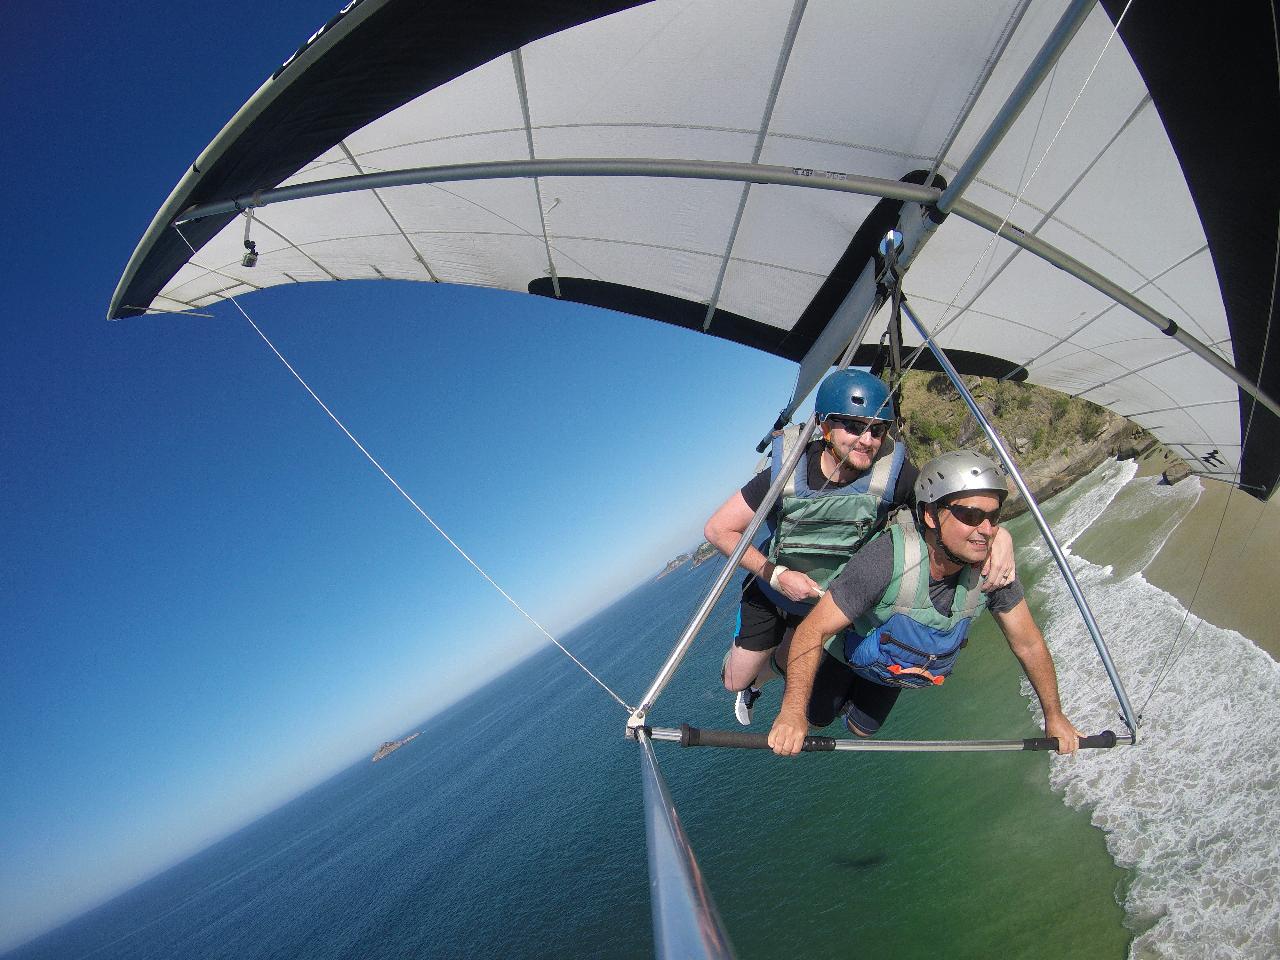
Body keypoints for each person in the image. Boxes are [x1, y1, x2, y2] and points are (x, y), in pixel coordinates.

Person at [703, 369, 1016, 725]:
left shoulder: (892, 475)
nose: (867, 440)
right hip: (772, 588)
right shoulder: (786, 473)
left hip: (826, 597)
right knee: (736, 680)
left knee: (797, 665)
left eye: (878, 429)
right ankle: (753, 677)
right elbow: (718, 529)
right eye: (853, 426)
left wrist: (1000, 536)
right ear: (824, 426)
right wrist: (776, 575)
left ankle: (777, 661)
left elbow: (948, 510)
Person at [766, 449, 1083, 756]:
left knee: (861, 729)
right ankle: (783, 649)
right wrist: (791, 713)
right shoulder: (886, 560)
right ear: (931, 515)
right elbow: (813, 631)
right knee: (817, 716)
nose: (985, 530)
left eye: (993, 517)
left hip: (897, 660)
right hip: (849, 644)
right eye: (970, 515)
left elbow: (1027, 642)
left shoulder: (993, 572)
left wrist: (1054, 715)